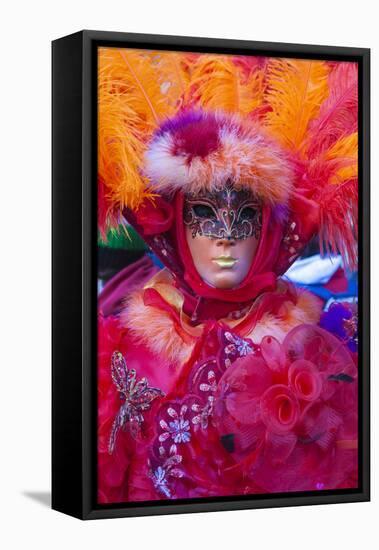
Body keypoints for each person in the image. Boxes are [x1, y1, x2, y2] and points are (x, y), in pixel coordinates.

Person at [97, 108, 358, 503]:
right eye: (203, 212)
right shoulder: (128, 346)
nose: (226, 239)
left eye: (246, 215)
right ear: (175, 226)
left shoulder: (313, 346)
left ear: (270, 228)